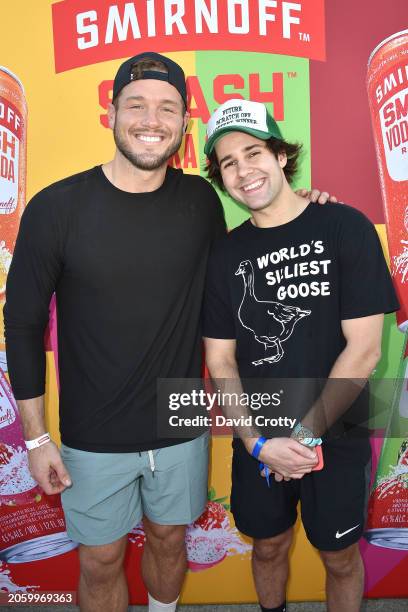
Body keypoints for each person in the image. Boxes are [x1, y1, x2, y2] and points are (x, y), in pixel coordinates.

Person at [4, 54, 332, 612]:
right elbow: (23, 325)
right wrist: (36, 439)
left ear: (185, 124)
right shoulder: (56, 207)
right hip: (92, 429)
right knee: (100, 559)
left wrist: (310, 211)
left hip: (179, 418)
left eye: (167, 108)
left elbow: (255, 248)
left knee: (169, 538)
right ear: (111, 114)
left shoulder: (201, 201)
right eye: (135, 105)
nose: (150, 119)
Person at [203, 99, 399, 612]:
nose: (244, 169)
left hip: (337, 431)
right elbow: (221, 361)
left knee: (338, 556)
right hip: (261, 440)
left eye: (253, 152)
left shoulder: (345, 228)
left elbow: (365, 350)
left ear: (281, 157)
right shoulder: (224, 255)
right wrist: (257, 443)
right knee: (267, 547)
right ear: (221, 179)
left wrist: (305, 439)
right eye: (228, 162)